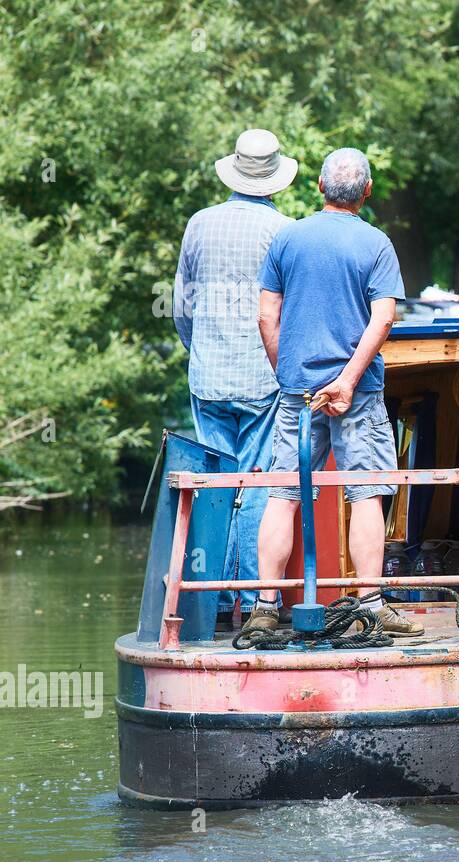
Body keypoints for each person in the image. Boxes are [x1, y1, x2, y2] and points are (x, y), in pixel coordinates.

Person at [243, 147, 422, 637]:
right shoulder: (377, 244)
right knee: (365, 494)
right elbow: (383, 316)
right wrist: (346, 381)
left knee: (282, 493)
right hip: (358, 395)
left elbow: (265, 316)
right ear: (366, 193)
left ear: (319, 188)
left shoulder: (287, 238)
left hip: (296, 394)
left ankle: (263, 607)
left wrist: (291, 378)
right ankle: (369, 603)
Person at [173, 129, 297, 624]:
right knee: (259, 485)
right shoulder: (283, 230)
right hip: (263, 377)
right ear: (273, 179)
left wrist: (198, 348)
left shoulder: (199, 224)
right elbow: (287, 310)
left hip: (208, 377)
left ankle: (215, 603)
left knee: (216, 486)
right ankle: (253, 602)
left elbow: (182, 303)